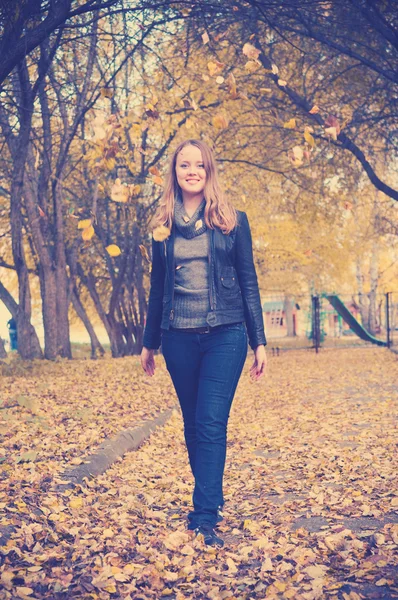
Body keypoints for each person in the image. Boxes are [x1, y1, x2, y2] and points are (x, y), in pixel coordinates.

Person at [141, 139, 267, 548]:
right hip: (177, 336)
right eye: (183, 166)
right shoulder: (161, 227)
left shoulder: (232, 220)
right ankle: (210, 497)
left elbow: (249, 281)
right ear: (175, 174)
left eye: (198, 165)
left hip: (226, 334)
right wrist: (149, 341)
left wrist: (259, 341)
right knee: (193, 425)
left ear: (208, 170)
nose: (191, 171)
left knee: (211, 423)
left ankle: (205, 515)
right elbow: (157, 286)